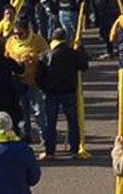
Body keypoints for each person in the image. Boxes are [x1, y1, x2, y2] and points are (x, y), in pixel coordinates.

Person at [36, 28, 88, 161]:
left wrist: (44, 88)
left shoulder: (45, 55)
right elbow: (84, 66)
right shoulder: (73, 54)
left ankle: (50, 151)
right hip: (69, 91)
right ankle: (74, 149)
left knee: (50, 123)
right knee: (72, 121)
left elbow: (38, 76)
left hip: (51, 93)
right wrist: (81, 50)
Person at [6, 18, 48, 144]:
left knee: (39, 111)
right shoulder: (11, 42)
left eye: (20, 33)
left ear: (27, 31)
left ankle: (44, 136)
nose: (17, 36)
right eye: (15, 33)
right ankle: (25, 135)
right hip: (18, 82)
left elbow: (46, 56)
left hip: (34, 81)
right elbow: (6, 57)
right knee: (23, 112)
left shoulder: (38, 40)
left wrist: (34, 57)